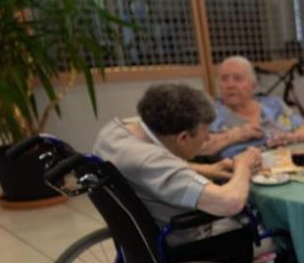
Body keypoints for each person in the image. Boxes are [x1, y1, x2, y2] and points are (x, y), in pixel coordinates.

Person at [93, 84, 262, 233]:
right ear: (183, 138)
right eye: (206, 132)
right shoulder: (151, 160)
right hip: (185, 240)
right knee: (262, 226)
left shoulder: (115, 132)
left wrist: (207, 170)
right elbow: (230, 203)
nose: (208, 139)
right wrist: (243, 167)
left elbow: (148, 172)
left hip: (139, 230)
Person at [198, 56, 304, 159]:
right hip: (242, 175)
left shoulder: (273, 105)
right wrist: (236, 135)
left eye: (238, 78)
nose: (230, 85)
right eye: (224, 79)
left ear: (253, 84)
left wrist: (289, 138)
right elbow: (197, 148)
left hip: (284, 167)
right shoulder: (212, 113)